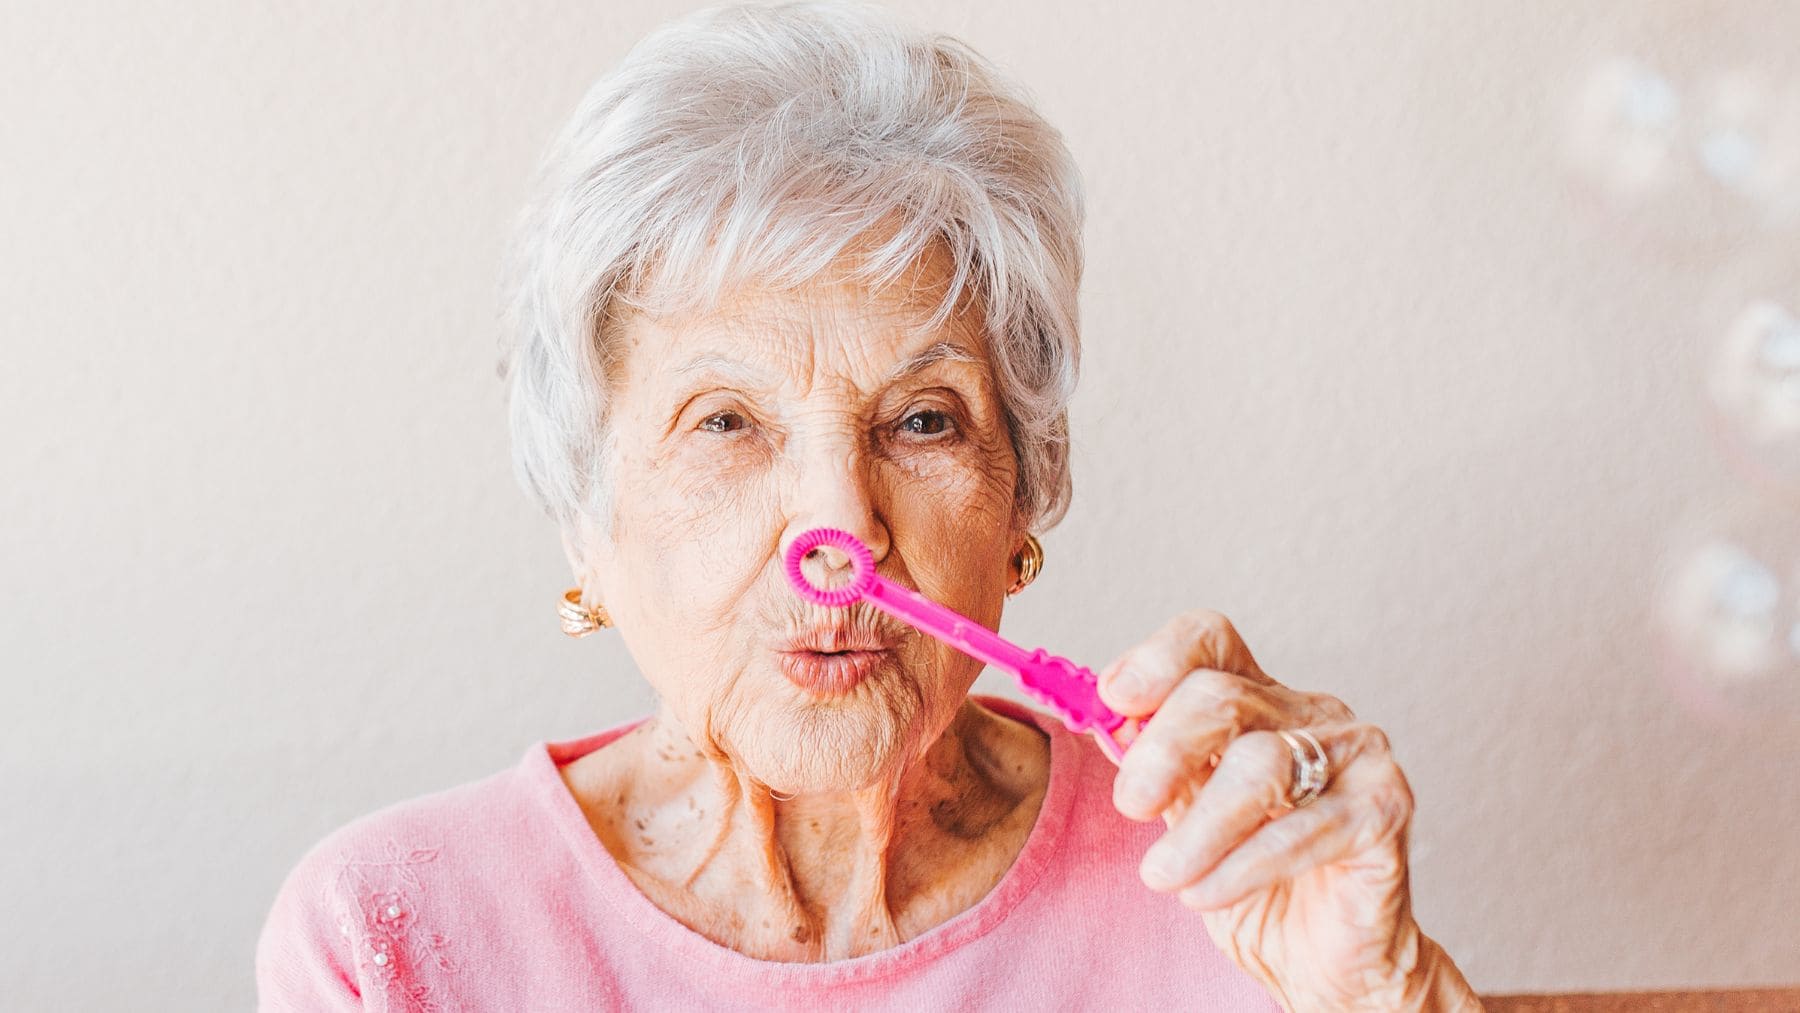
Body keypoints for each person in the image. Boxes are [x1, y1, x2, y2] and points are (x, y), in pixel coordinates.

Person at [255, 2, 1482, 1008]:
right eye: (726, 423)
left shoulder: (1215, 875)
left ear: (1020, 503)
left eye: (924, 419)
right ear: (588, 517)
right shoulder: (387, 940)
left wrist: (1386, 993)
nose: (840, 528)